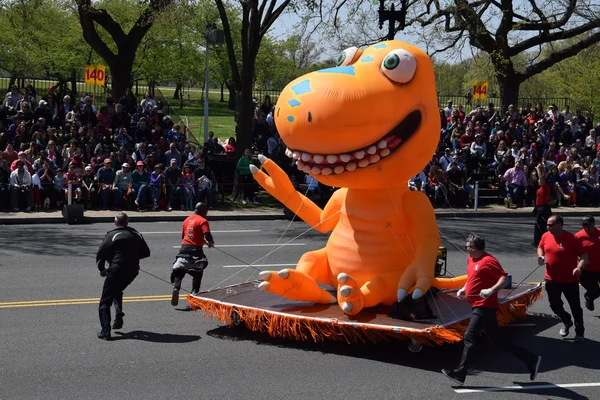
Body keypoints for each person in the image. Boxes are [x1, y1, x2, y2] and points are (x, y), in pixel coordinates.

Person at [442, 233, 541, 386]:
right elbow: (472, 277)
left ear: (475, 247)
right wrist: (464, 288)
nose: (466, 248)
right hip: (476, 304)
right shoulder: (471, 259)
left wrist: (491, 290)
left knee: (469, 336)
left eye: (468, 246)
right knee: (498, 341)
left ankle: (460, 373)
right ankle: (531, 359)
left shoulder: (489, 261)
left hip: (485, 306)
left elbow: (504, 278)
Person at [96, 212, 151, 340]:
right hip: (132, 271)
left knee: (105, 301)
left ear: (115, 223)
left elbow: (101, 255)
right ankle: (118, 314)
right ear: (127, 222)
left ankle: (105, 332)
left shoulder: (111, 235)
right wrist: (132, 258)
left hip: (116, 270)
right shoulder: (136, 234)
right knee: (117, 290)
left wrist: (102, 269)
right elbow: (146, 252)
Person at [538, 214, 588, 341]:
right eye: (547, 225)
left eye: (550, 225)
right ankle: (567, 321)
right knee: (554, 305)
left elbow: (584, 256)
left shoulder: (572, 238)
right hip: (551, 279)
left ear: (559, 225)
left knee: (575, 306)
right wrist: (541, 256)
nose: (547, 227)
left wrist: (579, 267)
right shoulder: (545, 235)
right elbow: (540, 247)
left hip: (569, 280)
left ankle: (580, 331)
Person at [170, 202, 215, 306]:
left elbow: (184, 236)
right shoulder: (203, 220)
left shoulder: (187, 220)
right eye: (206, 211)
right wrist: (211, 243)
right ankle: (194, 293)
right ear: (203, 210)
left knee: (180, 270)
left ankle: (176, 287)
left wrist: (203, 242)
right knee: (198, 272)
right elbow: (207, 235)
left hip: (184, 248)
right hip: (196, 251)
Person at [575, 216, 600, 311]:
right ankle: (589, 297)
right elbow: (573, 251)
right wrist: (581, 258)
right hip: (587, 270)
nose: (585, 227)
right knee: (595, 290)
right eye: (583, 225)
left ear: (593, 224)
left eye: (587, 225)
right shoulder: (578, 236)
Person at [533, 163, 551, 246]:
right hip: (539, 207)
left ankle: (544, 240)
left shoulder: (545, 187)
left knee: (542, 225)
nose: (539, 181)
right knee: (537, 225)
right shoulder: (539, 189)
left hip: (544, 208)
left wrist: (537, 169)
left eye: (540, 180)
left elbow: (541, 177)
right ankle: (537, 240)